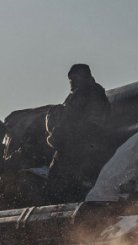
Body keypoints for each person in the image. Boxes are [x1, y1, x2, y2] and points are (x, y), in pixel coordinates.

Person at [46, 63, 112, 197]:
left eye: (73, 80)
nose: (71, 84)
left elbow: (76, 120)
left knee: (61, 182)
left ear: (82, 77)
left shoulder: (87, 93)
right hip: (81, 144)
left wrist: (59, 133)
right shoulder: (88, 93)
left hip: (80, 146)